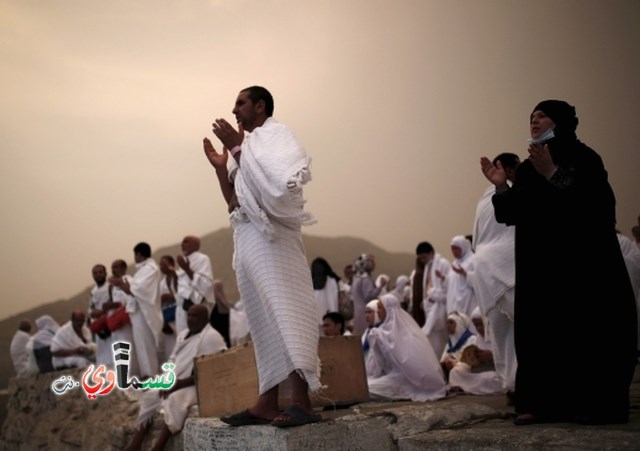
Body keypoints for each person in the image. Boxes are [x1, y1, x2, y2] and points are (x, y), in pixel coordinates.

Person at [481, 99, 637, 425]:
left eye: (542, 115)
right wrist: (501, 188)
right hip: (541, 270)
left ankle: (593, 405)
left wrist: (552, 173)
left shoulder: (585, 158)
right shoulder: (526, 169)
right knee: (540, 333)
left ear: (561, 122)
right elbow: (512, 213)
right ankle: (540, 403)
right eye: (531, 117)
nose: (534, 121)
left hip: (581, 269)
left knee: (585, 333)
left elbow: (598, 206)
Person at [202, 85, 322, 427]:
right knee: (262, 320)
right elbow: (234, 201)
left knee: (286, 311)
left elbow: (280, 189)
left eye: (240, 102)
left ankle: (302, 401)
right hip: (248, 239)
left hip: (275, 240)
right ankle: (266, 402)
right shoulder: (248, 147)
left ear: (260, 105)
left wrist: (238, 148)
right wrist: (220, 166)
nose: (234, 108)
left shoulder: (276, 136)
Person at [123, 304, 227, 451]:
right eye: (189, 315)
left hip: (198, 384)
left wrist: (178, 385)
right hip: (176, 382)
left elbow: (209, 371)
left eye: (195, 315)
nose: (190, 319)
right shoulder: (183, 334)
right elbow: (172, 361)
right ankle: (136, 443)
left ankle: (159, 446)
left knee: (176, 399)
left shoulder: (211, 337)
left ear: (205, 318)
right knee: (151, 395)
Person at [468, 152, 520, 395]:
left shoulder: (482, 200)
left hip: (483, 266)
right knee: (522, 329)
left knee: (499, 335)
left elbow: (477, 241)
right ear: (508, 170)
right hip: (506, 264)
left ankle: (510, 385)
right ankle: (523, 384)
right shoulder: (512, 193)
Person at [366, 293, 446, 402]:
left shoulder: (406, 332)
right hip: (390, 376)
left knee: (368, 389)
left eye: (380, 307)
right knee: (363, 385)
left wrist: (381, 338)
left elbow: (408, 362)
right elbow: (378, 364)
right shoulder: (380, 331)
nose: (378, 311)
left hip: (405, 379)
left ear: (388, 309)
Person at [110, 243, 162, 379]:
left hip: (144, 313)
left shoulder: (150, 269)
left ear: (139, 254)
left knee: (146, 347)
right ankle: (147, 376)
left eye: (135, 255)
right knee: (141, 347)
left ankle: (151, 377)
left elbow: (138, 290)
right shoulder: (142, 270)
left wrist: (121, 285)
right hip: (137, 313)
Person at [412, 242, 451, 358]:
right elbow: (428, 287)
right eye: (421, 258)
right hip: (430, 307)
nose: (423, 260)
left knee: (439, 340)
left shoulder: (443, 264)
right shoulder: (428, 266)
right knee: (431, 341)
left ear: (431, 253)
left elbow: (448, 288)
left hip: (440, 307)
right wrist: (425, 301)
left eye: (424, 257)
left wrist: (434, 294)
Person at [104, 259, 140, 376]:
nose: (114, 270)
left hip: (128, 322)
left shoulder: (129, 281)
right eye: (112, 267)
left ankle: (134, 375)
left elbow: (133, 298)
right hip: (117, 324)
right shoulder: (112, 287)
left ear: (124, 268)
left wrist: (118, 305)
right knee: (119, 350)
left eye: (116, 267)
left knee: (129, 348)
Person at [175, 235, 216, 336]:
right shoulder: (184, 261)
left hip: (196, 305)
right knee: (183, 336)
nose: (182, 244)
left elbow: (206, 285)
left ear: (196, 246)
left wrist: (187, 269)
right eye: (182, 242)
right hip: (181, 307)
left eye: (186, 242)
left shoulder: (203, 258)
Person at [351, 254, 386, 336]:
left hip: (357, 312)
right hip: (365, 313)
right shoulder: (365, 279)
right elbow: (369, 296)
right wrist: (380, 286)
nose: (374, 264)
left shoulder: (357, 278)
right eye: (372, 262)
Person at [88, 263, 114, 366]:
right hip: (99, 326)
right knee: (102, 353)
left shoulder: (110, 287)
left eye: (100, 272)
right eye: (95, 273)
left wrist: (103, 312)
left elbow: (115, 303)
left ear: (105, 273)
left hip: (110, 323)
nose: (98, 275)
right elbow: (91, 308)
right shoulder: (92, 291)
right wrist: (93, 313)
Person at [445, 236, 477, 317]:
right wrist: (444, 278)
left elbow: (479, 280)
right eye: (452, 248)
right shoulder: (454, 263)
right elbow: (451, 284)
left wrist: (465, 274)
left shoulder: (473, 260)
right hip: (454, 303)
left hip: (469, 302)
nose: (454, 251)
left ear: (463, 247)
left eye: (456, 248)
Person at [440, 311, 477, 379]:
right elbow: (443, 360)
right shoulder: (449, 343)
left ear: (459, 324)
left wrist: (454, 363)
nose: (448, 325)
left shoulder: (472, 339)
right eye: (447, 323)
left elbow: (471, 363)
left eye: (451, 323)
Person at [311, 257, 341, 333]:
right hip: (320, 318)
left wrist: (333, 316)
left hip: (324, 318)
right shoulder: (312, 282)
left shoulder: (329, 281)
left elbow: (331, 299)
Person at [159, 255, 178, 361]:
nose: (162, 267)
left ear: (172, 264)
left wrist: (172, 297)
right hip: (168, 317)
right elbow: (159, 304)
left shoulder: (179, 276)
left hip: (180, 315)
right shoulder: (161, 284)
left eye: (164, 264)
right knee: (170, 349)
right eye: (160, 265)